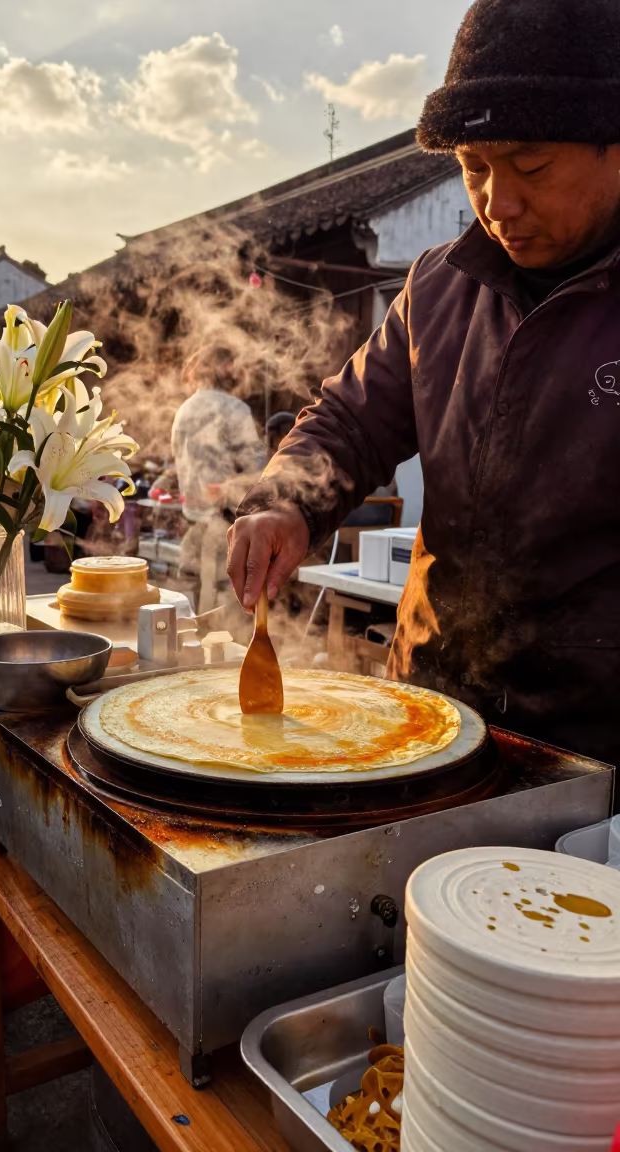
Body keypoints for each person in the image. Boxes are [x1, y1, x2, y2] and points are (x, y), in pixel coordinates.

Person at [228, 0, 620, 766]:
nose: (499, 206)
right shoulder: (440, 286)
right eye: (474, 170)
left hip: (594, 746)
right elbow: (349, 420)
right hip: (432, 706)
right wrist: (283, 504)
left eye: (532, 167)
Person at [172, 346, 266, 619]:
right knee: (226, 622)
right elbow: (257, 470)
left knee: (193, 609)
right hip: (228, 525)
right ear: (225, 369)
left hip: (192, 522)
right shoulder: (234, 409)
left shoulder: (183, 410)